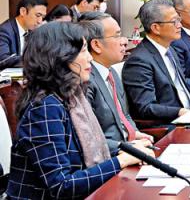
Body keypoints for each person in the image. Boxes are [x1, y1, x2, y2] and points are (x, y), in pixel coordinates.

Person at [5, 22, 152, 199]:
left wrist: (126, 152)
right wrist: (120, 161)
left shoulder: (72, 97)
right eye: (83, 51)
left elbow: (85, 153)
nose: (90, 58)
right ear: (59, 56)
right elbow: (62, 185)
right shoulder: (45, 107)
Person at [80, 12, 154, 154]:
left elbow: (124, 115)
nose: (124, 41)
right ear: (96, 45)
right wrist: (125, 147)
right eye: (117, 36)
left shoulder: (111, 72)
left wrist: (135, 134)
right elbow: (89, 138)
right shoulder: (86, 80)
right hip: (111, 155)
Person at [122, 0, 190, 123]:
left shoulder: (170, 49)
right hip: (170, 125)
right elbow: (146, 107)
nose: (180, 25)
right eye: (174, 21)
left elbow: (182, 89)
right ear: (156, 28)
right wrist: (180, 112)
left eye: (179, 20)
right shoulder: (139, 61)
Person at [0, 0, 48, 68]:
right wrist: (34, 60)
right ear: (23, 11)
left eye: (43, 17)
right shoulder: (4, 31)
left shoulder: (32, 31)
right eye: (38, 15)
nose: (40, 21)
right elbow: (3, 59)